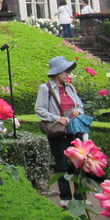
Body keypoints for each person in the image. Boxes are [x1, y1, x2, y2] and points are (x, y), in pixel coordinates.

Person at [35, 56, 85, 207]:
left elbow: (80, 106)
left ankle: (80, 197)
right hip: (58, 132)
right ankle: (65, 197)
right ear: (56, 72)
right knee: (62, 164)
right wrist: (57, 118)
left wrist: (77, 111)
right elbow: (39, 109)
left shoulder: (70, 88)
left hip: (74, 130)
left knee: (79, 163)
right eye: (65, 71)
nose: (68, 75)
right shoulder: (45, 88)